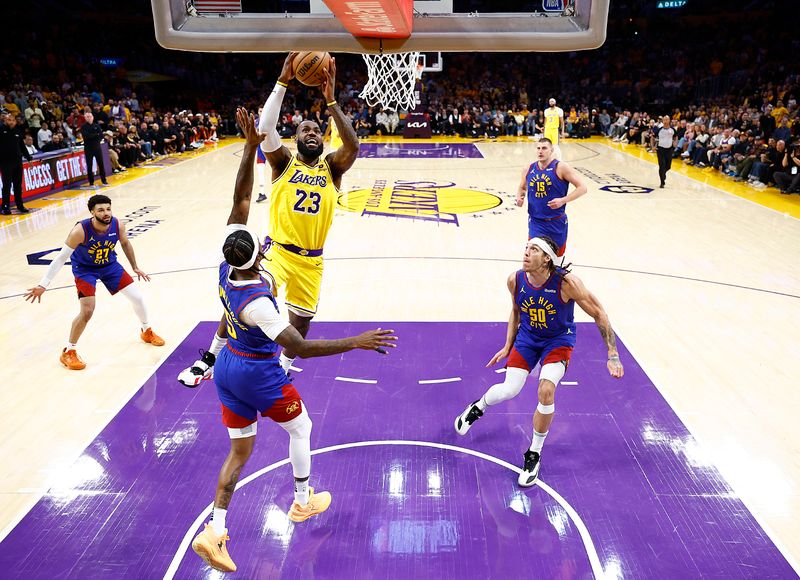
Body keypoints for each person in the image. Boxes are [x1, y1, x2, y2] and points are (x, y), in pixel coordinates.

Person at [189, 108, 396, 573]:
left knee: (240, 451)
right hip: (256, 370)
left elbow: (241, 200)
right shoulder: (259, 299)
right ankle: (302, 501)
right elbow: (299, 347)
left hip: (227, 369)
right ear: (257, 254)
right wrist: (357, 341)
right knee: (300, 429)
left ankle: (215, 530)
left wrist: (246, 150)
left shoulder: (226, 271)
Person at [178, 52, 360, 386]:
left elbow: (353, 145)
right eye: (304, 129)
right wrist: (282, 81)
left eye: (316, 130)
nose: (311, 133)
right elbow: (264, 129)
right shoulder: (283, 164)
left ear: (322, 139)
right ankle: (210, 357)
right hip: (277, 251)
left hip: (312, 261)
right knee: (245, 294)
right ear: (294, 138)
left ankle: (284, 368)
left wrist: (331, 100)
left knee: (302, 323)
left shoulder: (332, 169)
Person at [454, 237, 624, 486]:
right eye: (525, 248)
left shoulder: (567, 284)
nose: (525, 253)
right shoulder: (516, 280)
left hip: (558, 340)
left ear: (547, 258)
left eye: (533, 250)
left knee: (546, 390)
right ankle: (477, 407)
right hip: (528, 338)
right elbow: (515, 311)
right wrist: (507, 345)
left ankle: (533, 453)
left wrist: (613, 353)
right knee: (510, 389)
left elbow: (599, 313)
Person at [23, 194, 164, 370]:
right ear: (92, 212)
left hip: (109, 265)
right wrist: (43, 284)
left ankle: (146, 331)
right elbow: (60, 259)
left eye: (108, 209)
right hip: (85, 270)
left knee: (137, 298)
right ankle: (69, 351)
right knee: (87, 311)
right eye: (101, 210)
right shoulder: (80, 231)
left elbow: (126, 243)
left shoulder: (117, 224)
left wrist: (134, 267)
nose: (106, 213)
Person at [515, 138, 588, 257]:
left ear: (551, 150)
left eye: (544, 148)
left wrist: (563, 200)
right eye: (538, 148)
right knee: (534, 258)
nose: (540, 151)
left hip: (556, 221)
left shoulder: (560, 167)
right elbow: (522, 188)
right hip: (536, 221)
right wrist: (519, 197)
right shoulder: (528, 168)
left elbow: (582, 188)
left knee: (556, 259)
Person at [0, 113, 31, 215]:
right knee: (7, 185)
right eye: (9, 120)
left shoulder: (18, 131)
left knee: (18, 185)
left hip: (17, 162)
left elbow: (22, 146)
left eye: (13, 120)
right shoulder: (1, 130)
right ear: (5, 120)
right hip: (5, 163)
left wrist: (28, 157)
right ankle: (5, 206)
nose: (11, 122)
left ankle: (20, 205)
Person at [79, 110, 109, 187]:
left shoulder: (96, 125)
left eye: (90, 116)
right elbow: (86, 136)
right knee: (90, 166)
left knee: (101, 164)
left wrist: (93, 135)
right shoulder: (83, 127)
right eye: (87, 117)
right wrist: (96, 135)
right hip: (88, 149)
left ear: (93, 117)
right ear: (85, 118)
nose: (89, 118)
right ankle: (91, 182)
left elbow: (101, 136)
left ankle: (104, 180)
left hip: (97, 148)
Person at [654, 115, 677, 188]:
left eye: (667, 119)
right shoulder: (659, 129)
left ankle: (663, 174)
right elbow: (652, 136)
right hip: (660, 150)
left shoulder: (673, 129)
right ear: (663, 121)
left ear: (669, 121)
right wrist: (653, 146)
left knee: (668, 166)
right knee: (662, 166)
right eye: (664, 120)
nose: (666, 121)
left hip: (669, 149)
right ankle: (662, 182)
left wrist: (675, 142)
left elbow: (676, 136)